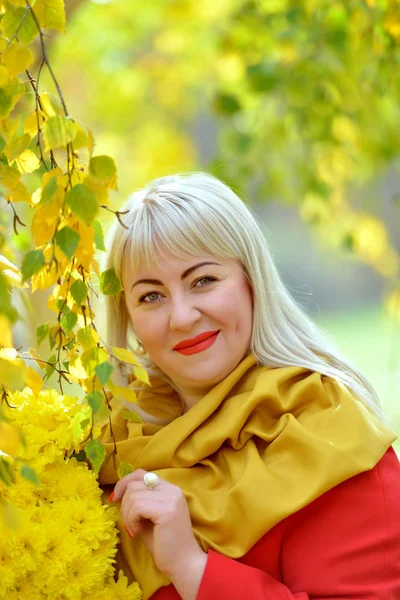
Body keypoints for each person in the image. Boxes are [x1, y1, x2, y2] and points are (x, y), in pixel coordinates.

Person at [98, 172, 400, 600]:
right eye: (151, 296)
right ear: (128, 316)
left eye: (203, 280)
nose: (182, 317)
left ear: (251, 280)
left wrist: (192, 568)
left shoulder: (330, 436)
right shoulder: (110, 444)